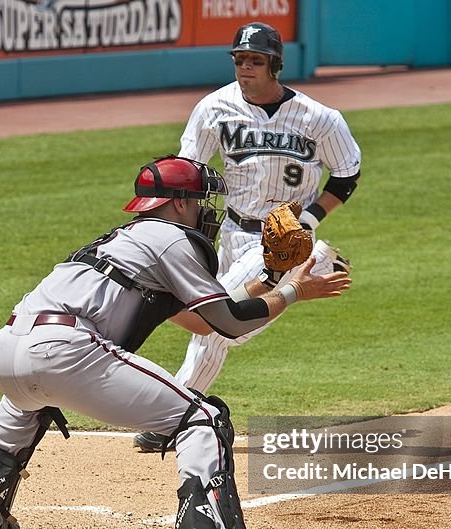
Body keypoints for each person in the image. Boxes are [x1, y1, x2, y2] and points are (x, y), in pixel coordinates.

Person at [0, 155, 351, 529]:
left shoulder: (129, 241)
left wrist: (273, 277)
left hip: (9, 351)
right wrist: (294, 291)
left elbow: (202, 317)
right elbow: (231, 323)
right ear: (179, 204)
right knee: (203, 418)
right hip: (65, 352)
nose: (206, 210)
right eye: (201, 200)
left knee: (31, 397)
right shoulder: (173, 239)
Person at [134, 22, 363, 453]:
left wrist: (310, 222)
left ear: (274, 64)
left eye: (255, 61)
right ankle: (322, 261)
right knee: (221, 321)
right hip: (231, 233)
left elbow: (347, 174)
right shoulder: (214, 108)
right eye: (240, 60)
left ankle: (175, 414)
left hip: (282, 241)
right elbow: (189, 172)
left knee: (221, 325)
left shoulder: (319, 118)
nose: (245, 68)